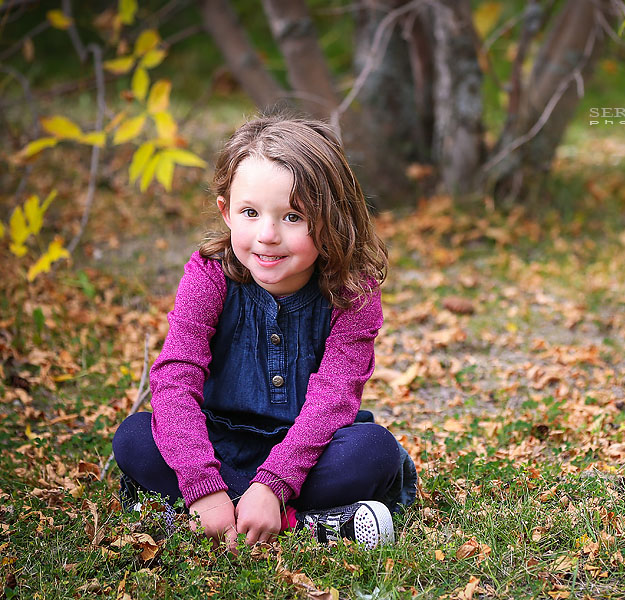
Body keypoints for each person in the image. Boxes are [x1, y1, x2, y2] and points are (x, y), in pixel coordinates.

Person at [112, 115, 416, 551]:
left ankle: (218, 517)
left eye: (293, 216)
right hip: (214, 442)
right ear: (226, 211)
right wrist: (202, 483)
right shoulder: (210, 276)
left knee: (373, 451)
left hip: (309, 447)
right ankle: (310, 525)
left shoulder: (352, 291)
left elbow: (334, 397)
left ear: (332, 218)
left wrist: (273, 484)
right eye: (250, 213)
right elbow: (176, 377)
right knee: (136, 438)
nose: (267, 236)